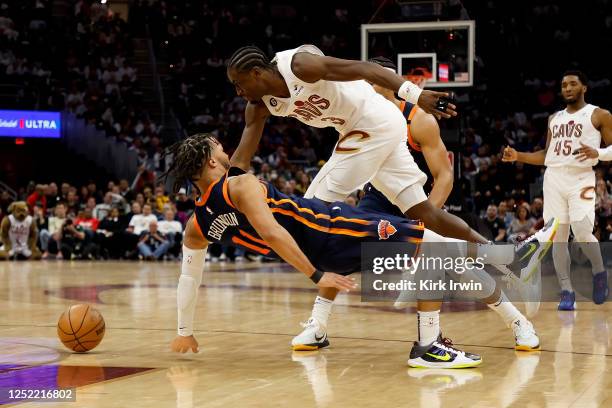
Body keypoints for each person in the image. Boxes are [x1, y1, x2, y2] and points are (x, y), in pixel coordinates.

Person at [164, 133, 557, 368]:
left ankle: (509, 314)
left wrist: (185, 332)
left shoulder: (197, 224)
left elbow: (189, 277)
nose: (225, 148)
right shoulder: (239, 185)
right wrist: (317, 277)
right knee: (436, 246)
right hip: (335, 228)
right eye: (219, 146)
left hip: (325, 252)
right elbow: (270, 232)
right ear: (212, 159)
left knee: (439, 258)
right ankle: (502, 269)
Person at [291, 57, 542, 363]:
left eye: (368, 80)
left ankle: (516, 322)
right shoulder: (356, 112)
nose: (360, 84)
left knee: (450, 263)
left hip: (420, 201)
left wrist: (424, 221)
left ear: (385, 80)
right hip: (377, 196)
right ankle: (318, 326)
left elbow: (445, 177)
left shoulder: (419, 119)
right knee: (342, 243)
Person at [503, 70, 612, 309]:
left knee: (582, 232)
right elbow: (546, 155)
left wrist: (600, 153)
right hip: (553, 179)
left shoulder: (599, 114)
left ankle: (599, 271)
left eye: (573, 84)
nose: (568, 88)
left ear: (584, 87)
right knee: (557, 237)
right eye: (564, 85)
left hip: (581, 178)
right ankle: (566, 290)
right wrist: (518, 156)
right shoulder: (554, 118)